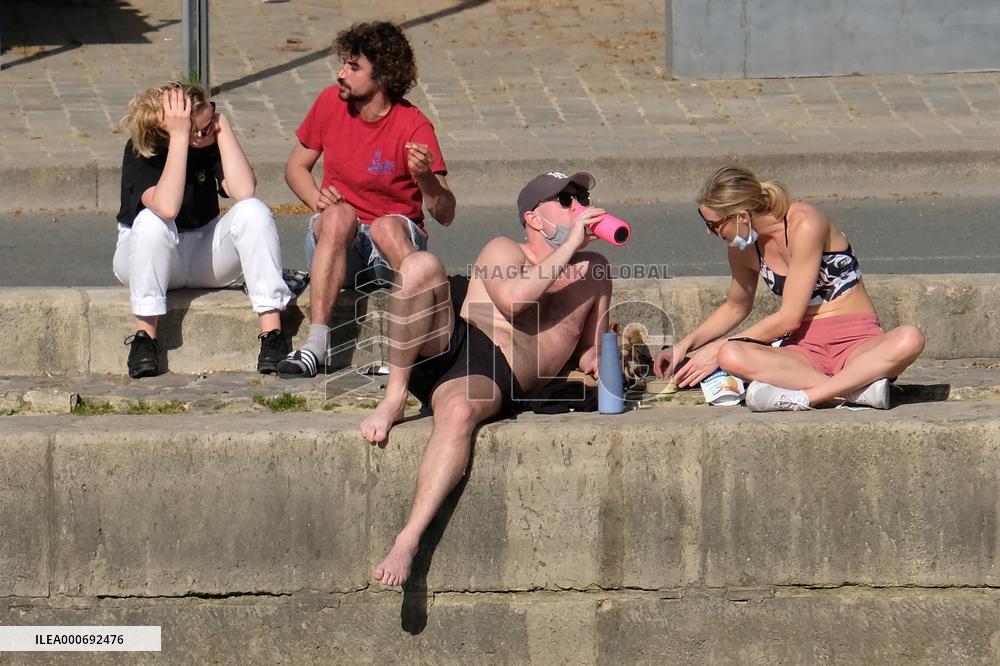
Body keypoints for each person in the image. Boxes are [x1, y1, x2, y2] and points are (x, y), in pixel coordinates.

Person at [360, 171, 613, 587]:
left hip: (496, 372)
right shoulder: (503, 248)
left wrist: (613, 360)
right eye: (566, 200)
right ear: (534, 218)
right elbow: (514, 302)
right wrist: (569, 245)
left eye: (581, 196)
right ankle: (395, 397)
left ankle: (408, 538)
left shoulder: (596, 272)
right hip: (456, 338)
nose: (578, 205)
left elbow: (591, 352)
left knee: (459, 413)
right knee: (420, 264)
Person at [653, 165, 925, 411]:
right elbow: (736, 306)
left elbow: (790, 317)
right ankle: (854, 391)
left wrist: (714, 349)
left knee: (910, 338)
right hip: (803, 351)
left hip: (857, 343)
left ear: (742, 216)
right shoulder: (743, 249)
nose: (710, 232)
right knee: (731, 355)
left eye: (713, 224)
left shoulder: (805, 223)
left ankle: (806, 397)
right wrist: (685, 345)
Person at [277, 20, 455, 378]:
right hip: (340, 245)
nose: (341, 73)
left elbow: (445, 213)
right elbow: (296, 167)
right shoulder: (330, 102)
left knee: (387, 227)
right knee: (339, 216)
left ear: (383, 78)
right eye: (344, 63)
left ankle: (413, 349)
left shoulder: (414, 126)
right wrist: (317, 198)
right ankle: (315, 345)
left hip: (392, 250)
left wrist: (425, 179)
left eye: (353, 67)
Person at [115, 81, 292, 378]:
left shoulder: (211, 140)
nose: (209, 131)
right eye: (202, 129)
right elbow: (167, 207)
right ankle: (145, 338)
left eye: (211, 119)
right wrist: (181, 139)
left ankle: (272, 334)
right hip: (150, 258)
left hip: (202, 253)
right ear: (170, 132)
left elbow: (244, 189)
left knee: (254, 210)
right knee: (151, 220)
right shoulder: (141, 151)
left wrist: (222, 129)